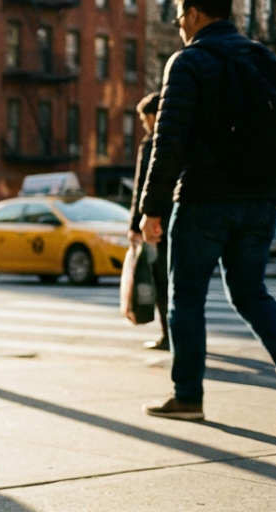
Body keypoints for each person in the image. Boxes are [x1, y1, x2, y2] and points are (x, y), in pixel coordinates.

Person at [139, 0, 276, 420]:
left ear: (195, 13)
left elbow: (169, 143)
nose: (179, 23)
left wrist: (152, 209)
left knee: (186, 297)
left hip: (204, 201)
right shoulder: (263, 58)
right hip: (260, 200)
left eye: (179, 14)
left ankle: (187, 396)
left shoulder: (188, 61)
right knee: (251, 292)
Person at [128, 92, 170, 351]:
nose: (144, 125)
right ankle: (182, 336)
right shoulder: (182, 138)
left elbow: (141, 187)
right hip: (179, 219)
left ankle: (168, 335)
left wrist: (135, 225)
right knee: (179, 282)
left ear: (153, 116)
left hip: (155, 223)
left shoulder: (151, 144)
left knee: (160, 280)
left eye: (144, 120)